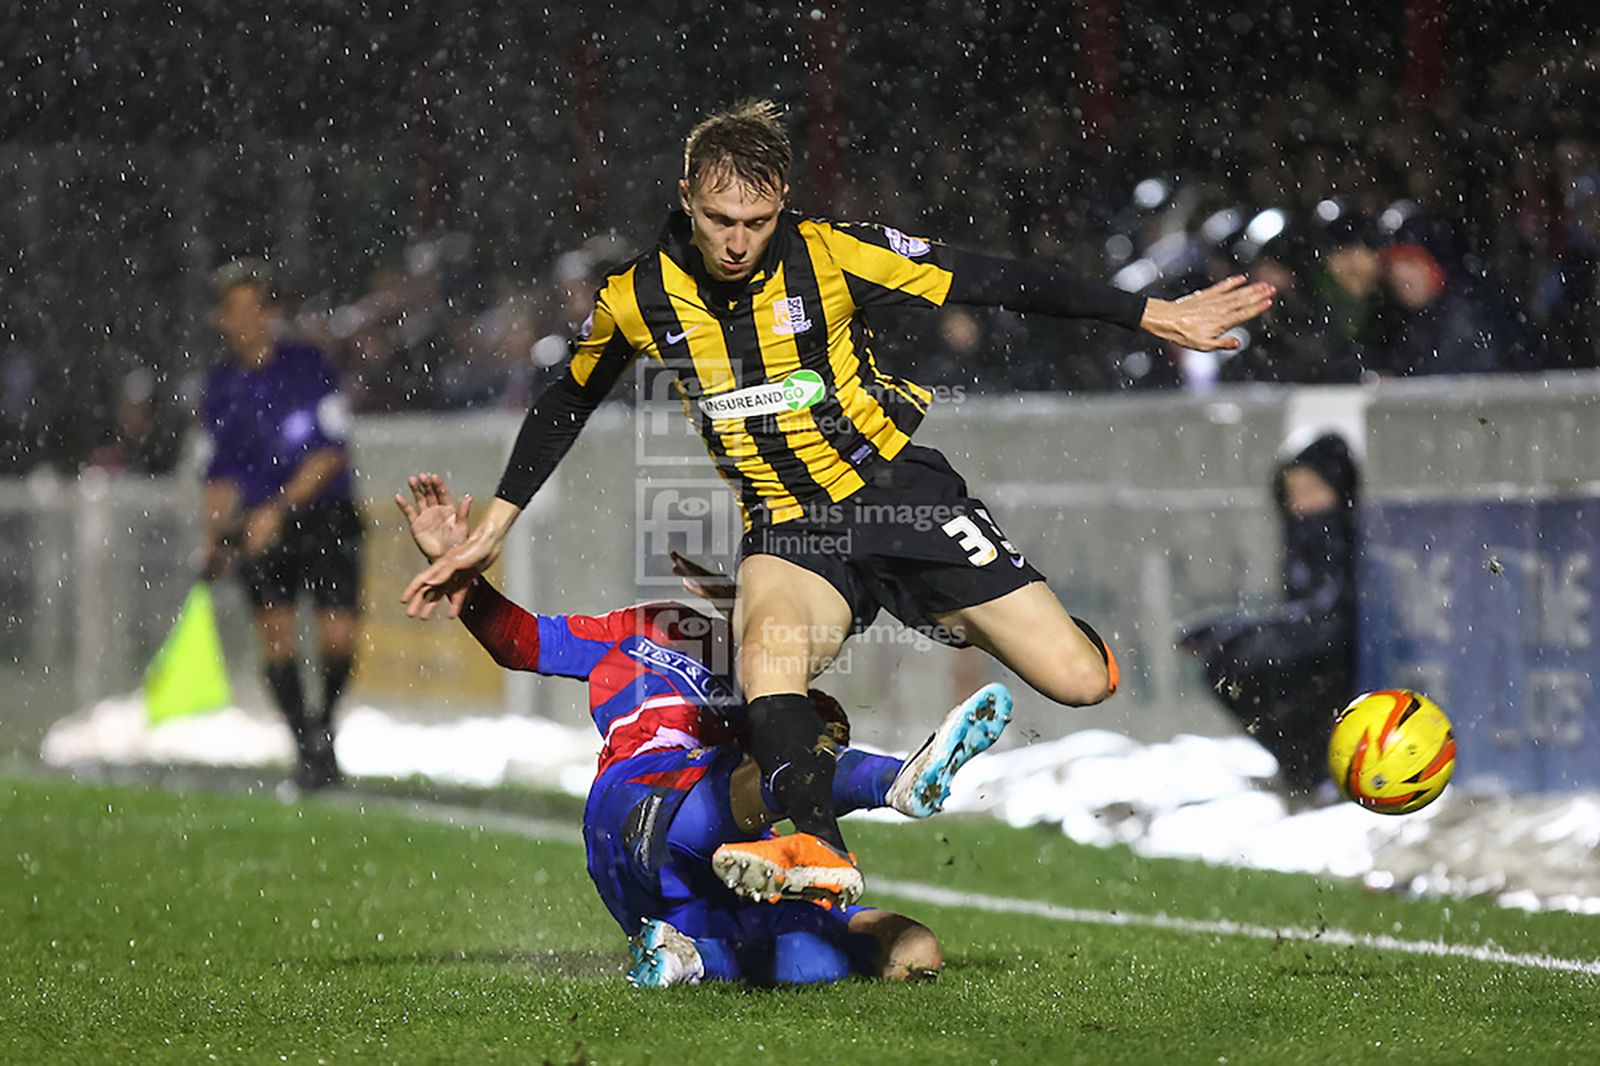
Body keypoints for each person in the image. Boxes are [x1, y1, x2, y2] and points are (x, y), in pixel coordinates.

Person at [402, 99, 1274, 906]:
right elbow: (567, 396)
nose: (738, 242)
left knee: (1080, 680)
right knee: (766, 662)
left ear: (782, 203)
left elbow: (993, 278)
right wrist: (495, 526)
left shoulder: (832, 252)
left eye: (756, 221)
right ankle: (818, 847)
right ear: (685, 201)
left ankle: (953, 612)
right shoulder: (639, 296)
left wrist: (1149, 313)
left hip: (897, 493)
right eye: (719, 222)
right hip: (789, 526)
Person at [396, 472, 1013, 986]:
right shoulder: (643, 626)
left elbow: (824, 730)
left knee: (911, 948)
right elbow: (521, 642)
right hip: (640, 802)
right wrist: (458, 572)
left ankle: (687, 958)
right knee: (776, 764)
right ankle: (898, 782)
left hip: (697, 882)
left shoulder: (774, 677)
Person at [200, 260, 363, 789]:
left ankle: (323, 725)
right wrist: (217, 537)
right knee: (277, 638)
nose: (247, 321)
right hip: (258, 527)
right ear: (221, 320)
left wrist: (279, 509)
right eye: (236, 311)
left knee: (340, 638)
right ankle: (307, 748)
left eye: (255, 308)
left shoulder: (309, 367)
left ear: (271, 313)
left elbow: (331, 454)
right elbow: (219, 473)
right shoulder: (220, 386)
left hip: (323, 516)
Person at [1176, 432, 1359, 803]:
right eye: (1293, 493)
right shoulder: (1304, 534)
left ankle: (1315, 773)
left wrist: (1241, 632)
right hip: (1311, 652)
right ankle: (1305, 773)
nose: (1300, 505)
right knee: (1228, 669)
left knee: (1243, 667)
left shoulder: (1339, 534)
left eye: (1311, 489)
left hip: (1335, 662)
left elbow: (1328, 617)